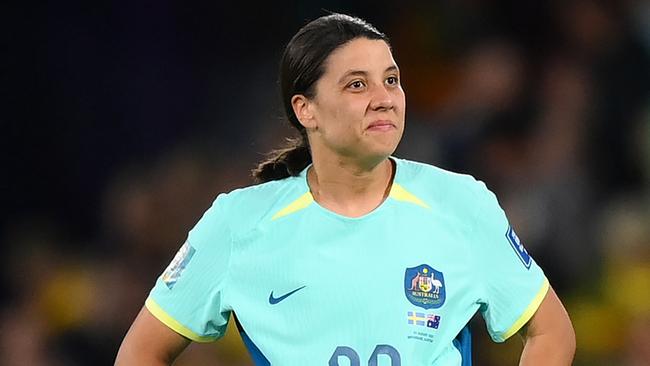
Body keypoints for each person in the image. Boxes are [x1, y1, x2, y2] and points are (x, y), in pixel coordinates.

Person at [115, 13, 575, 366]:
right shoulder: (238, 223)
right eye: (357, 84)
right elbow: (139, 353)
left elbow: (551, 332)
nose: (384, 97)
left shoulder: (461, 204)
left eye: (391, 79)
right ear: (306, 109)